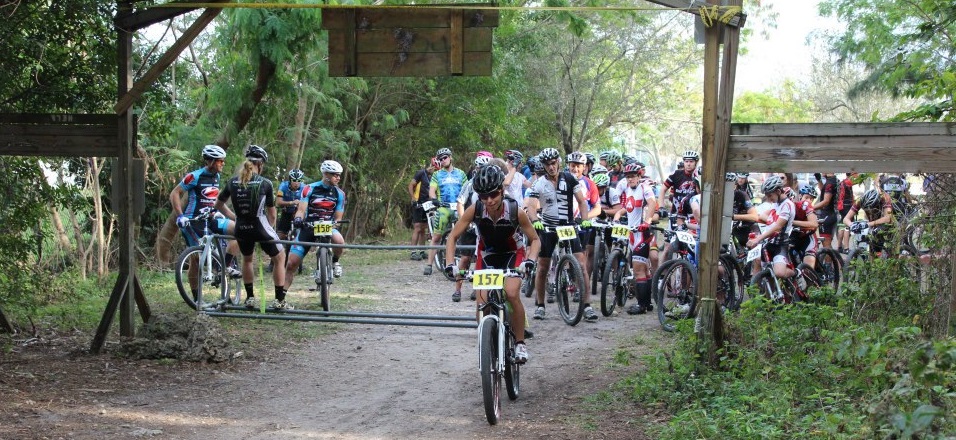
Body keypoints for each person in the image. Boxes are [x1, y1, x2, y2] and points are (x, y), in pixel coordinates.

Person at [444, 165, 540, 363]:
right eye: (483, 196)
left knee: (512, 293)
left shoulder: (515, 210)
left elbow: (535, 240)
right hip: (486, 255)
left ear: (502, 191)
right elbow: (452, 237)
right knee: (482, 304)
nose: (489, 200)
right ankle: (488, 342)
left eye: (494, 194)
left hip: (513, 254)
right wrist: (449, 264)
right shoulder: (476, 210)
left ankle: (520, 343)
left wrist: (530, 260)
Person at [525, 147, 601, 322]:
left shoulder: (569, 178)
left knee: (581, 265)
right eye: (547, 165)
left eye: (553, 163)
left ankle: (588, 305)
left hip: (568, 226)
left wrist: (584, 219)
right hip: (548, 227)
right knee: (543, 266)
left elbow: (582, 201)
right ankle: (540, 305)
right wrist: (535, 219)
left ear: (558, 162)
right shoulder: (539, 183)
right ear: (543, 166)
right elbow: (531, 204)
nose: (551, 167)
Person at [214, 145, 289, 309]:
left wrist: (235, 217)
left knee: (247, 259)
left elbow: (218, 204)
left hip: (240, 227)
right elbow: (272, 214)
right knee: (280, 257)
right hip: (261, 226)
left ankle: (250, 298)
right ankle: (279, 301)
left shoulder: (232, 182)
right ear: (260, 164)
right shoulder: (265, 183)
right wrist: (268, 232)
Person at [169, 144, 240, 304]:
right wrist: (180, 216)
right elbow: (175, 193)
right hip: (193, 221)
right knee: (196, 259)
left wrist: (233, 216)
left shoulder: (217, 177)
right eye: (220, 161)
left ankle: (225, 267)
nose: (223, 163)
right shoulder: (194, 176)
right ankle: (196, 298)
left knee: (238, 231)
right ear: (211, 161)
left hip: (211, 217)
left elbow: (214, 198)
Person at [285, 160, 348, 291]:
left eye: (339, 175)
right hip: (309, 225)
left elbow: (338, 217)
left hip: (328, 225)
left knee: (340, 242)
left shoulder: (340, 194)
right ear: (326, 174)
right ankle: (280, 298)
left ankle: (335, 261)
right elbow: (301, 210)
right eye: (335, 175)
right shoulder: (309, 188)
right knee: (291, 263)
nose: (338, 177)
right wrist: (298, 218)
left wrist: (335, 224)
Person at [612, 163, 659, 315]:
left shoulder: (645, 188)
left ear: (639, 176)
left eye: (633, 176)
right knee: (644, 270)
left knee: (638, 269)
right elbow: (629, 207)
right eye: (628, 177)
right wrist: (618, 215)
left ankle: (641, 305)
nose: (630, 179)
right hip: (632, 234)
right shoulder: (627, 189)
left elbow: (652, 203)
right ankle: (648, 303)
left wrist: (648, 221)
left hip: (642, 234)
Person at [424, 148, 468, 275]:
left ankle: (464, 260)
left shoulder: (461, 173)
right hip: (444, 207)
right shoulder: (437, 175)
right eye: (440, 159)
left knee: (465, 233)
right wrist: (433, 199)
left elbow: (466, 189)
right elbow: (432, 190)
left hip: (458, 207)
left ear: (450, 157)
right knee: (437, 236)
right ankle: (429, 264)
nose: (443, 160)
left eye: (445, 157)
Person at [747, 175, 797, 280]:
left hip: (780, 244)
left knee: (779, 273)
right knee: (757, 260)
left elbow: (778, 227)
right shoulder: (775, 203)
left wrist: (758, 239)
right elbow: (763, 216)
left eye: (770, 195)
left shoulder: (787, 205)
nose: (769, 199)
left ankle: (797, 272)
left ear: (778, 191)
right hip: (769, 242)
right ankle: (757, 291)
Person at [567, 151, 600, 281]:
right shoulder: (561, 180)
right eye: (572, 165)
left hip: (582, 225)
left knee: (581, 256)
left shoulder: (589, 184)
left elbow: (597, 208)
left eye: (578, 166)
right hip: (565, 223)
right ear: (568, 165)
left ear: (584, 167)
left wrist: (584, 218)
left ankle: (579, 284)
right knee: (565, 253)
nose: (575, 169)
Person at [270, 168, 307, 273]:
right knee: (280, 237)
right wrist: (291, 203)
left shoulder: (304, 188)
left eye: (298, 180)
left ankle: (298, 261)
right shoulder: (283, 186)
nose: (296, 183)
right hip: (287, 212)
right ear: (290, 180)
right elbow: (278, 202)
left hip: (298, 213)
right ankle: (273, 262)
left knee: (301, 235)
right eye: (294, 180)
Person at [842, 188, 894, 256]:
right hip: (874, 222)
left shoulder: (884, 198)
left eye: (872, 208)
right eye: (867, 209)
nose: (870, 211)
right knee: (873, 249)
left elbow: (887, 218)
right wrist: (852, 225)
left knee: (893, 249)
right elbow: (845, 219)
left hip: (889, 223)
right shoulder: (860, 200)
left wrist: (868, 224)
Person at [408, 157, 439, 261]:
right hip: (418, 203)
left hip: (428, 205)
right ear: (431, 166)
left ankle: (422, 251)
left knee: (423, 229)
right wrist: (413, 198)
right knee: (417, 227)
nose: (435, 171)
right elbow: (411, 185)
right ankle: (413, 252)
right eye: (435, 169)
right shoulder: (421, 173)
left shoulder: (433, 177)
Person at [792, 184, 820, 268]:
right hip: (794, 238)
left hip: (808, 237)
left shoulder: (807, 206)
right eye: (806, 197)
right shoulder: (793, 205)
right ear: (800, 196)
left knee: (808, 270)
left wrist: (792, 222)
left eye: (811, 199)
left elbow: (814, 224)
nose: (809, 201)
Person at [812, 172, 839, 249]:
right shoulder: (834, 180)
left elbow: (826, 201)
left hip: (827, 215)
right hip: (833, 213)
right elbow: (824, 191)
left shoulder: (830, 183)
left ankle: (829, 261)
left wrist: (810, 208)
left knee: (826, 245)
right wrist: (819, 180)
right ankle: (833, 260)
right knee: (828, 243)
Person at [836, 172, 858, 253]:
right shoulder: (848, 182)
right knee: (847, 227)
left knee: (842, 225)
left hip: (841, 206)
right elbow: (858, 181)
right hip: (847, 206)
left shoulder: (842, 182)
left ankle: (839, 246)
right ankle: (846, 248)